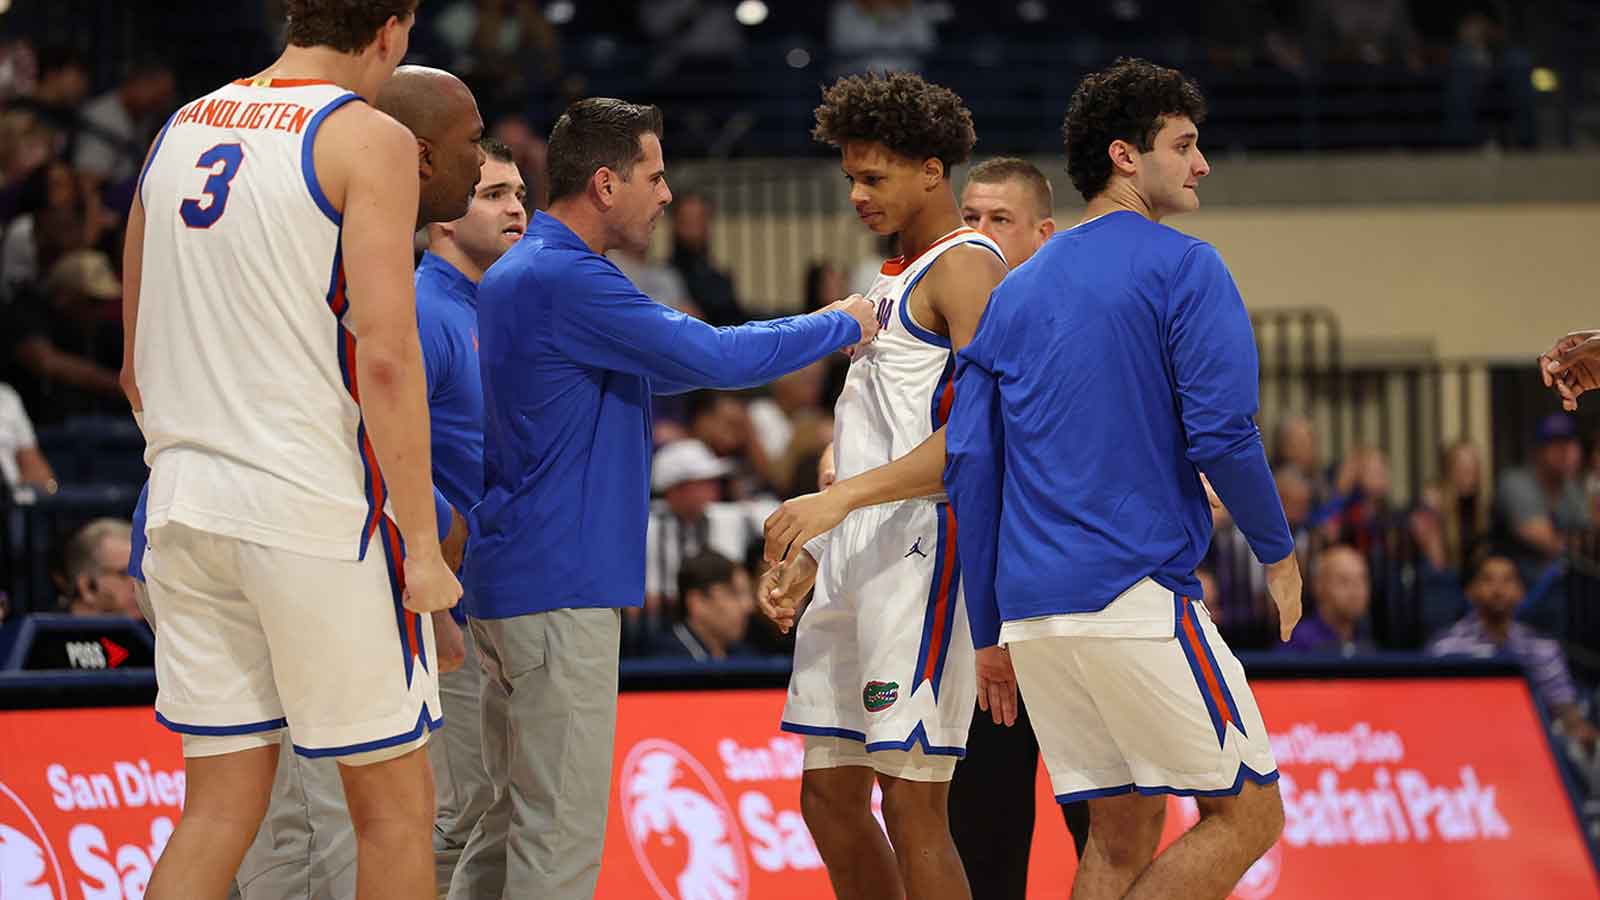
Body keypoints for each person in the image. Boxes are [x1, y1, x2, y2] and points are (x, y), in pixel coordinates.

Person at [460, 96, 877, 900]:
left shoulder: (526, 273)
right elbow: (713, 355)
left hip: (517, 582)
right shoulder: (563, 276)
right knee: (555, 846)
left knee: (504, 833)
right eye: (655, 177)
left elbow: (679, 365)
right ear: (607, 184)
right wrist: (840, 321)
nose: (667, 196)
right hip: (561, 587)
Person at [125, 5, 464, 899]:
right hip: (313, 510)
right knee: (394, 813)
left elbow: (130, 368)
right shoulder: (369, 138)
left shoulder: (180, 126)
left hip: (183, 504)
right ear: (391, 30)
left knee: (217, 811)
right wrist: (424, 550)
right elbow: (388, 361)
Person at [940, 59, 1299, 900]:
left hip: (1034, 615)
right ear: (1125, 157)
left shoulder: (1015, 294)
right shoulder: (1185, 265)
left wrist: (989, 624)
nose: (1201, 163)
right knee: (1250, 818)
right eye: (1184, 144)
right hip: (1134, 594)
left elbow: (973, 463)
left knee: (1120, 833)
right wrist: (1279, 554)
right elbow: (1222, 432)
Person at [757, 71, 1008, 900]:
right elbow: (864, 435)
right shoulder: (886, 278)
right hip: (857, 551)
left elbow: (975, 438)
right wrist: (817, 548)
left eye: (876, 177)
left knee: (913, 808)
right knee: (828, 800)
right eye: (851, 180)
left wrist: (838, 502)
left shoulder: (968, 267)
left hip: (922, 553)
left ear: (933, 171)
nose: (859, 194)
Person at [945, 156, 1088, 896]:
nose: (979, 234)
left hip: (1074, 615)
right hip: (979, 624)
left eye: (998, 219)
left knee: (1104, 834)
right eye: (968, 218)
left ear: (1043, 233)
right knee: (986, 841)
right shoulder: (937, 320)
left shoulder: (1085, 328)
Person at [1429, 547, 1600, 751]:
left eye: (1508, 580)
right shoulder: (1446, 646)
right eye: (1488, 580)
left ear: (1521, 592)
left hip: (1533, 746)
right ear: (1471, 591)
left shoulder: (1541, 648)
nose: (1498, 589)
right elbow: (1435, 710)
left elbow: (1564, 707)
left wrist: (1580, 730)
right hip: (1465, 743)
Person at [645, 550, 757, 661]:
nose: (749, 606)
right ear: (697, 603)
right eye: (734, 594)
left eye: (748, 594)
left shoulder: (745, 656)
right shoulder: (665, 664)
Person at [1279, 545, 1374, 655]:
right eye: (1344, 581)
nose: (1356, 591)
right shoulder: (1298, 643)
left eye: (1362, 580)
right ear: (1319, 586)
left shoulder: (1367, 640)